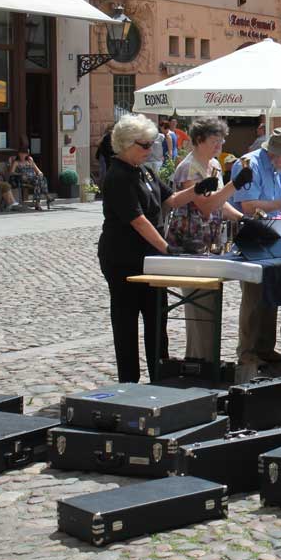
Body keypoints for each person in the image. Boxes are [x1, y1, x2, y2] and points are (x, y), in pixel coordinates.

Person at [97, 113, 236, 382]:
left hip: (150, 256)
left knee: (156, 318)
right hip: (123, 256)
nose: (150, 150)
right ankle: (129, 380)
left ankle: (159, 375)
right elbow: (138, 221)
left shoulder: (144, 171)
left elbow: (170, 200)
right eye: (144, 145)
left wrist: (198, 190)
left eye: (151, 145)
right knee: (126, 320)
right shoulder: (118, 176)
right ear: (126, 144)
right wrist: (166, 248)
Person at [167, 117, 245, 361]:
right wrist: (234, 186)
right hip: (190, 242)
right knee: (199, 302)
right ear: (199, 140)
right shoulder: (189, 168)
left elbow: (220, 205)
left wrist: (244, 219)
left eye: (221, 141)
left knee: (210, 301)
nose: (219, 146)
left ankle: (207, 358)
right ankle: (199, 360)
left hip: (208, 241)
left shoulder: (212, 164)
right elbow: (206, 207)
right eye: (214, 141)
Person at [229, 128, 281, 367]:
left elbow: (276, 204)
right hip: (249, 234)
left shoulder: (279, 169)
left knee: (272, 291)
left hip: (271, 233)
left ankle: (265, 346)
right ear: (274, 152)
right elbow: (248, 206)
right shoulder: (249, 165)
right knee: (253, 295)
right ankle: (247, 351)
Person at [7, 144, 49, 209]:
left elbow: (38, 171)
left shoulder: (30, 161)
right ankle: (46, 197)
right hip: (25, 179)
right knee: (41, 180)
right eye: (21, 153)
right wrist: (20, 174)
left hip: (34, 179)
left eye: (24, 153)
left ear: (27, 154)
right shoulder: (16, 162)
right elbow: (11, 172)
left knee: (40, 180)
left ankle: (38, 204)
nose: (22, 155)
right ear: (18, 154)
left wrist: (40, 173)